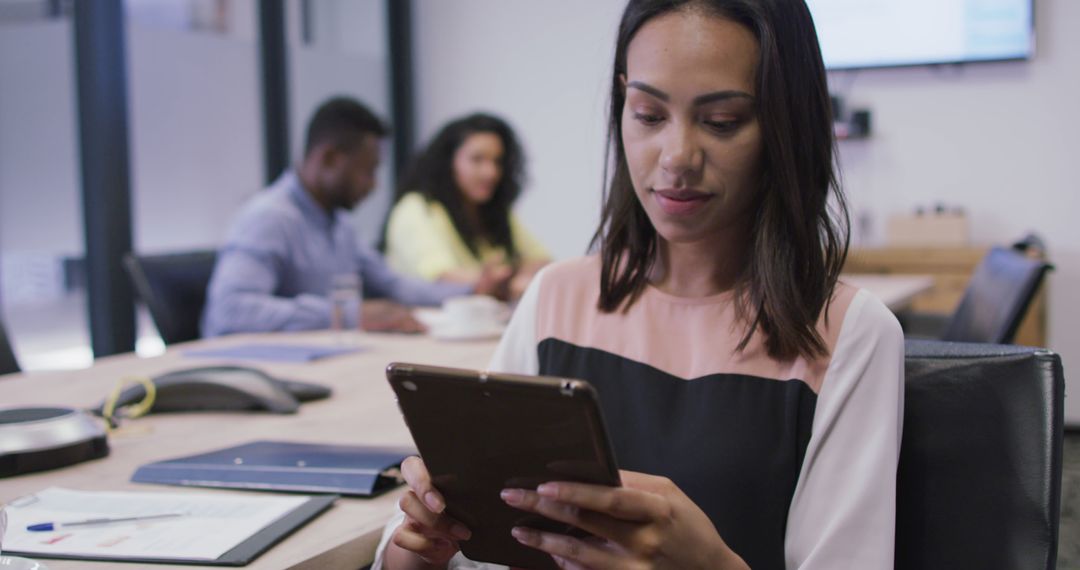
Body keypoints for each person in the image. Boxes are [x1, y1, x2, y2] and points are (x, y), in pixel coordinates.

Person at [375, 0, 904, 569]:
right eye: (649, 114)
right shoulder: (558, 298)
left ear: (784, 125)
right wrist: (421, 545)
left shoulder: (848, 332)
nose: (676, 157)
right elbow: (465, 549)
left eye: (722, 121)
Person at [202, 97, 508, 337]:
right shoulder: (269, 218)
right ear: (330, 159)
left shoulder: (338, 224)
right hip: (255, 373)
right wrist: (349, 313)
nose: (374, 185)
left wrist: (471, 291)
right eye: (368, 170)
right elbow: (230, 311)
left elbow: (392, 284)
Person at [383, 113, 550, 301]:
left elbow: (542, 261)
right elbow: (442, 277)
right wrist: (509, 279)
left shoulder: (494, 211)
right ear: (448, 162)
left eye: (497, 161)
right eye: (477, 159)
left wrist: (514, 278)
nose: (491, 172)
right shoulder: (416, 208)